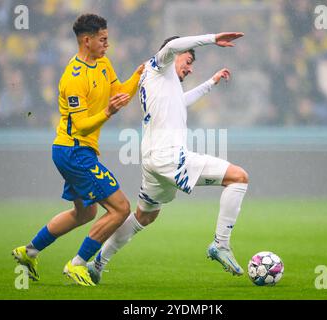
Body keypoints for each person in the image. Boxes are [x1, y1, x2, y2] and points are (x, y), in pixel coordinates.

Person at [88, 32, 248, 284]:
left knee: (146, 216)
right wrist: (213, 38)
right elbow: (173, 44)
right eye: (188, 61)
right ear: (173, 56)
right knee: (238, 177)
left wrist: (210, 82)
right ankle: (221, 244)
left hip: (153, 160)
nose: (190, 68)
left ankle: (97, 262)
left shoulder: (163, 84)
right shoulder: (159, 65)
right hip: (168, 157)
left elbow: (179, 103)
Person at [12, 13, 144, 286]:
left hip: (76, 151)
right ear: (87, 40)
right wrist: (107, 112)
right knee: (120, 208)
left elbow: (119, 93)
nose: (107, 44)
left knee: (85, 213)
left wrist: (139, 75)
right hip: (73, 150)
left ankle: (29, 251)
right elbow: (82, 126)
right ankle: (77, 264)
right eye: (103, 40)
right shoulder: (73, 77)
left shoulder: (103, 63)